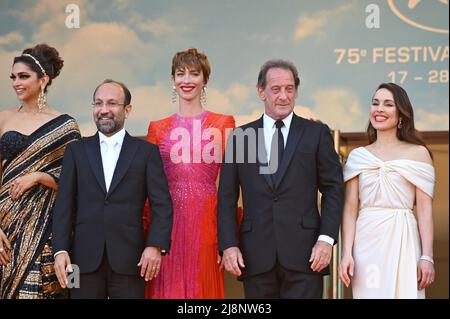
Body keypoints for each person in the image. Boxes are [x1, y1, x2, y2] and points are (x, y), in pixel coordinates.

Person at [217, 59, 344, 299]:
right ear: (261, 91)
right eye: (276, 89)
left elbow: (334, 189)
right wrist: (229, 245)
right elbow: (226, 198)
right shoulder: (240, 137)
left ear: (296, 90)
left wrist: (326, 239)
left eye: (289, 89)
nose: (283, 96)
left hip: (307, 254)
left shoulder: (316, 133)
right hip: (255, 256)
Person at [52, 79, 173, 299]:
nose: (104, 110)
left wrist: (155, 245)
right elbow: (63, 206)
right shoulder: (75, 151)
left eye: (112, 103)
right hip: (78, 262)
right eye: (98, 103)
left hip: (132, 261)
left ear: (127, 109)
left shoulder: (147, 152)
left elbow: (162, 205)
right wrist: (60, 250)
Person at [144, 48, 235, 299]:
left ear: (205, 79)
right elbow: (148, 187)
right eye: (180, 73)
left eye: (194, 74)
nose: (187, 80)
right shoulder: (157, 128)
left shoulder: (224, 123)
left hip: (207, 223)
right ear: (173, 79)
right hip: (165, 225)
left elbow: (230, 186)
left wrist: (227, 239)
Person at [338, 83, 435, 299]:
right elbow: (350, 208)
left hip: (404, 238)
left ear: (401, 114)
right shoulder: (358, 156)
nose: (379, 109)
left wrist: (427, 256)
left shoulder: (419, 154)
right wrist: (346, 254)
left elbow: (425, 211)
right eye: (375, 103)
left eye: (388, 104)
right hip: (366, 241)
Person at [0, 43, 80, 299]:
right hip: (4, 228)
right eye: (13, 76)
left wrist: (40, 177)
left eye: (24, 76)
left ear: (43, 80)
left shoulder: (65, 127)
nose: (16, 83)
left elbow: (75, 184)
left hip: (42, 228)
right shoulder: (3, 118)